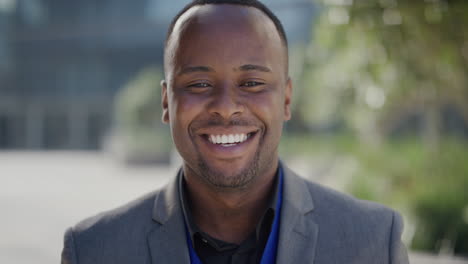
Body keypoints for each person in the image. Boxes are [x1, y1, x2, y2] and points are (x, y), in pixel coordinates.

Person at [61, 0, 409, 263]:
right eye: (198, 83)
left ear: (286, 99)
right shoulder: (93, 250)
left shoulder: (375, 242)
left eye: (253, 83)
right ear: (167, 101)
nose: (226, 107)